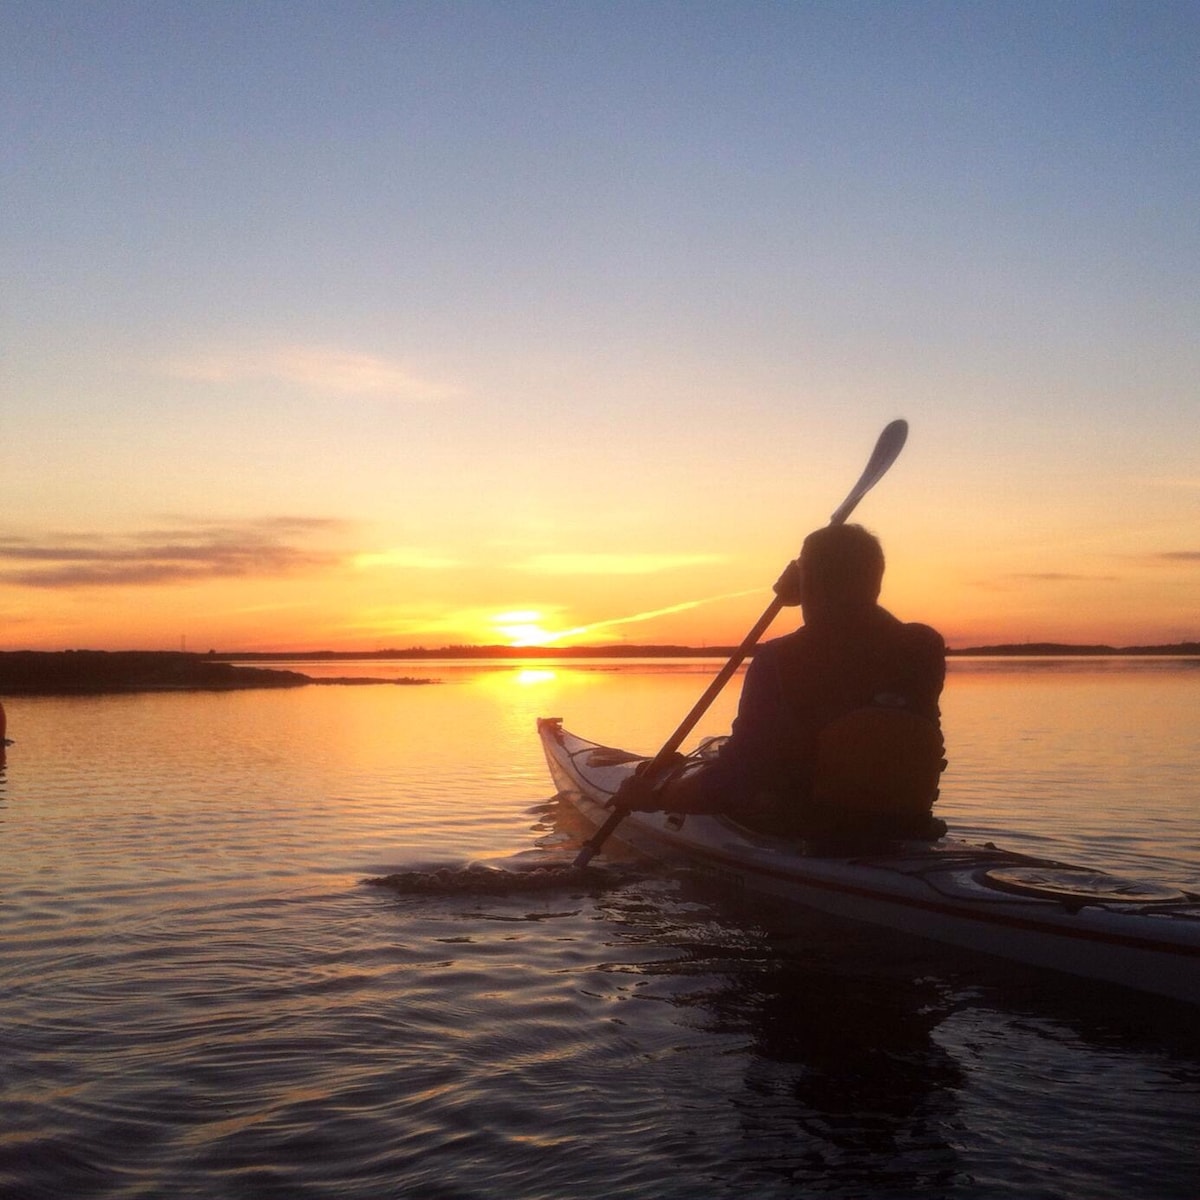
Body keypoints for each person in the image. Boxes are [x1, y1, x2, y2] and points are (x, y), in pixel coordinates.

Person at [616, 523, 946, 842]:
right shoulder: (924, 647)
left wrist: (656, 796)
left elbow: (736, 778)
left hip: (809, 831)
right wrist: (808, 578)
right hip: (907, 827)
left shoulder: (782, 657)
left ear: (807, 581)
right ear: (875, 582)